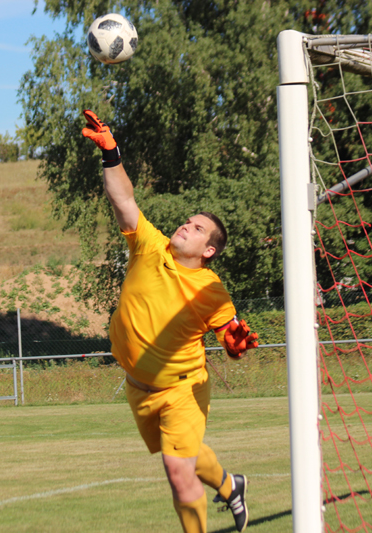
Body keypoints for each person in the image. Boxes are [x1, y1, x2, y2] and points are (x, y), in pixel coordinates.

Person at [82, 110, 259, 533]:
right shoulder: (150, 246)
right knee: (188, 456)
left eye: (197, 228)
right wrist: (111, 154)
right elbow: (123, 200)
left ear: (209, 250)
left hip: (182, 389)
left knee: (178, 474)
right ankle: (231, 486)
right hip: (138, 388)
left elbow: (231, 333)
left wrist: (235, 343)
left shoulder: (210, 289)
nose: (186, 225)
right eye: (188, 220)